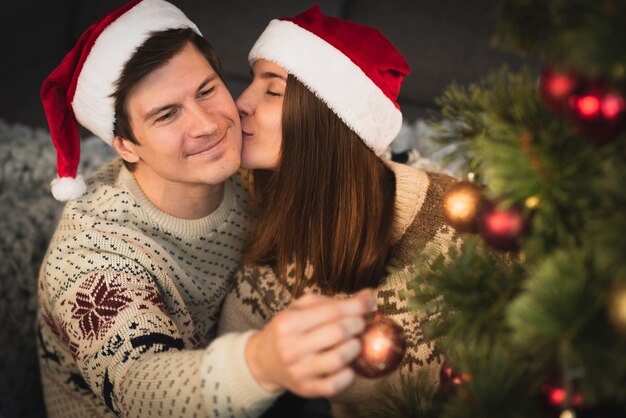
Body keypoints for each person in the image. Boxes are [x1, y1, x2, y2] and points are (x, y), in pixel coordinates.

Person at [37, 1, 375, 417]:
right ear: (125, 145)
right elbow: (140, 386)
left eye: (207, 90)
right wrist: (261, 363)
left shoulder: (250, 164)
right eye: (167, 115)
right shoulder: (89, 257)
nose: (208, 126)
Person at [218, 5, 462, 417]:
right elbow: (223, 382)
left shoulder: (455, 222)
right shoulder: (264, 222)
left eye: (272, 90)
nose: (240, 102)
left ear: (327, 121)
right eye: (252, 82)